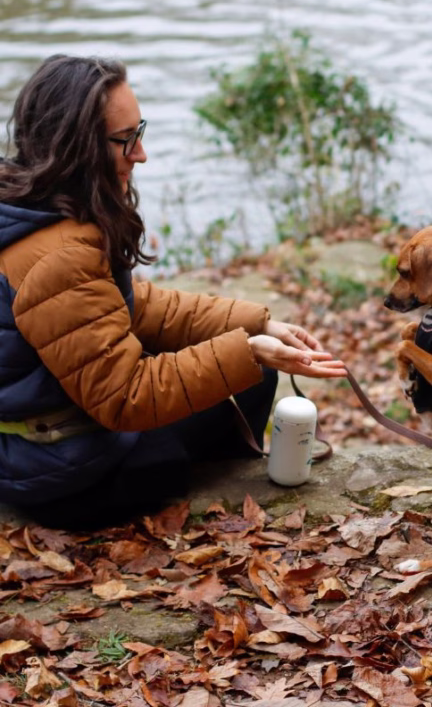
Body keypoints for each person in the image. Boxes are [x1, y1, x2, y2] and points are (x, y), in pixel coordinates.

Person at [0, 54, 347, 527]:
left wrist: (257, 324)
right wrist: (245, 352)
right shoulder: (60, 257)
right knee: (247, 378)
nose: (141, 154)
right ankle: (225, 507)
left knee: (247, 367)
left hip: (38, 451)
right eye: (126, 140)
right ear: (76, 147)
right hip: (64, 477)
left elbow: (130, 306)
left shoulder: (32, 208)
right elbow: (124, 398)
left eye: (139, 132)